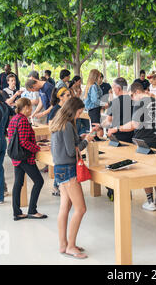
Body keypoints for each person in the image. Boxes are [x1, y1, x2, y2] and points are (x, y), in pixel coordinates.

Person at [50, 97, 98, 259]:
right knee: (81, 208)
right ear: (73, 110)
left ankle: (63, 244)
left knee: (65, 208)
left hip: (59, 169)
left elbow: (68, 145)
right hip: (69, 169)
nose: (79, 115)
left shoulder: (58, 122)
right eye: (79, 112)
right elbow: (72, 151)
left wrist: (82, 138)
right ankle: (71, 246)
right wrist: (87, 141)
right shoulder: (68, 126)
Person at [108, 82, 156, 211]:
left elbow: (134, 124)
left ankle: (150, 201)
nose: (132, 99)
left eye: (132, 96)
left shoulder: (140, 103)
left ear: (137, 92)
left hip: (143, 142)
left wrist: (117, 128)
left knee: (145, 172)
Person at [7, 98, 48, 221]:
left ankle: (17, 212)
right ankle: (32, 210)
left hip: (16, 156)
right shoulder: (23, 120)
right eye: (30, 107)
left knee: (18, 183)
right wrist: (38, 148)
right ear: (25, 107)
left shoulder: (14, 119)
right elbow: (24, 142)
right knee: (39, 181)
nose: (31, 109)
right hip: (24, 157)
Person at [102, 77, 133, 201]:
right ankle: (127, 192)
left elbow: (108, 121)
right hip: (131, 138)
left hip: (117, 138)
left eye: (113, 87)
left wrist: (99, 126)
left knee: (114, 166)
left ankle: (114, 192)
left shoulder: (115, 102)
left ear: (118, 88)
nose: (112, 89)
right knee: (127, 165)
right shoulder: (134, 101)